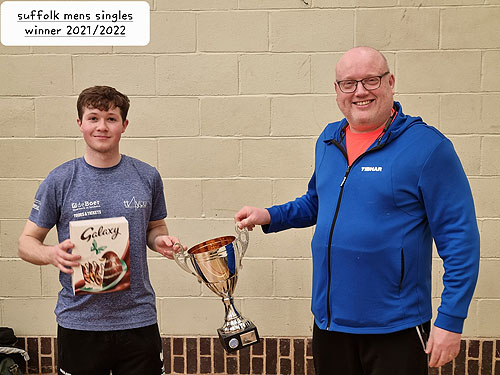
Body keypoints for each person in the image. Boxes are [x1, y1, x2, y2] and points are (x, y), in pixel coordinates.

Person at [235, 47, 480, 375]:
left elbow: (460, 240)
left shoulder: (429, 148)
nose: (360, 91)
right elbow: (318, 202)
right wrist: (270, 215)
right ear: (337, 91)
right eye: (348, 83)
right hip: (330, 324)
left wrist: (451, 320)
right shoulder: (328, 140)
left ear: (391, 82)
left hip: (396, 327)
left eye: (371, 80)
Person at [18, 86, 182, 375]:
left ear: (124, 125)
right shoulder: (60, 180)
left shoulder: (147, 176)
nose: (102, 127)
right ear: (80, 124)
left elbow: (155, 228)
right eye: (93, 118)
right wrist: (50, 254)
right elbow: (26, 243)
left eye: (111, 118)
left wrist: (161, 241)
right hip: (79, 321)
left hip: (138, 319)